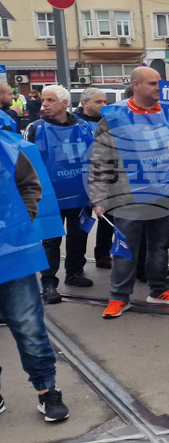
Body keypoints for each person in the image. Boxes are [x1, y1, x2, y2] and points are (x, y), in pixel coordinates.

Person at [88, 66, 169, 319]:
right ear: (136, 85)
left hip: (163, 192)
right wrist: (98, 198)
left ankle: (159, 289)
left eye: (159, 83)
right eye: (153, 83)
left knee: (159, 246)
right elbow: (101, 159)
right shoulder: (114, 116)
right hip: (128, 195)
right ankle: (119, 297)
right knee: (125, 248)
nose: (159, 88)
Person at [0, 138, 69, 422]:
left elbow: (29, 184)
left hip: (11, 251)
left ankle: (46, 389)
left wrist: (22, 219)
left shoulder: (5, 147)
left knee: (28, 325)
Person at [26, 85, 96, 304]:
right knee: (50, 241)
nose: (44, 104)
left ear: (65, 104)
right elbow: (25, 163)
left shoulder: (83, 127)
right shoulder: (35, 128)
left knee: (78, 236)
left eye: (50, 100)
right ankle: (48, 283)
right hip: (48, 197)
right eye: (43, 100)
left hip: (79, 194)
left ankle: (75, 272)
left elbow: (94, 158)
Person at [73, 88, 113, 269]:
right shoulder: (74, 123)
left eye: (105, 101)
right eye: (99, 102)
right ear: (85, 102)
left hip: (109, 176)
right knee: (80, 226)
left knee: (109, 219)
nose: (103, 105)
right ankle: (76, 266)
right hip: (82, 179)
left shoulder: (111, 121)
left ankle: (103, 254)